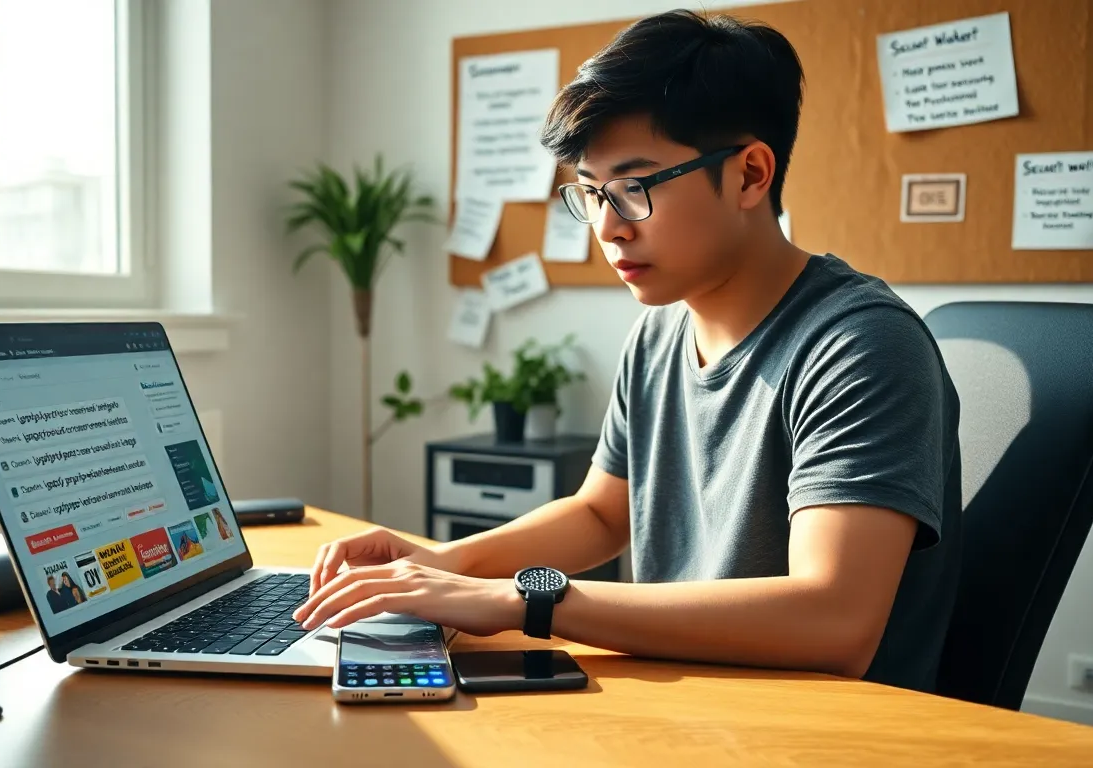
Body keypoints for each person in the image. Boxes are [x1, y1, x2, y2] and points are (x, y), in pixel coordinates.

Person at [294, 10, 963, 693]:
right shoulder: (662, 328)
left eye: (635, 189)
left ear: (750, 175)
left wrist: (526, 600)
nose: (607, 229)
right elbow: (601, 514)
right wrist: (444, 563)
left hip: (828, 728)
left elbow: (834, 623)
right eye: (591, 193)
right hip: (695, 698)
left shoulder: (860, 344)